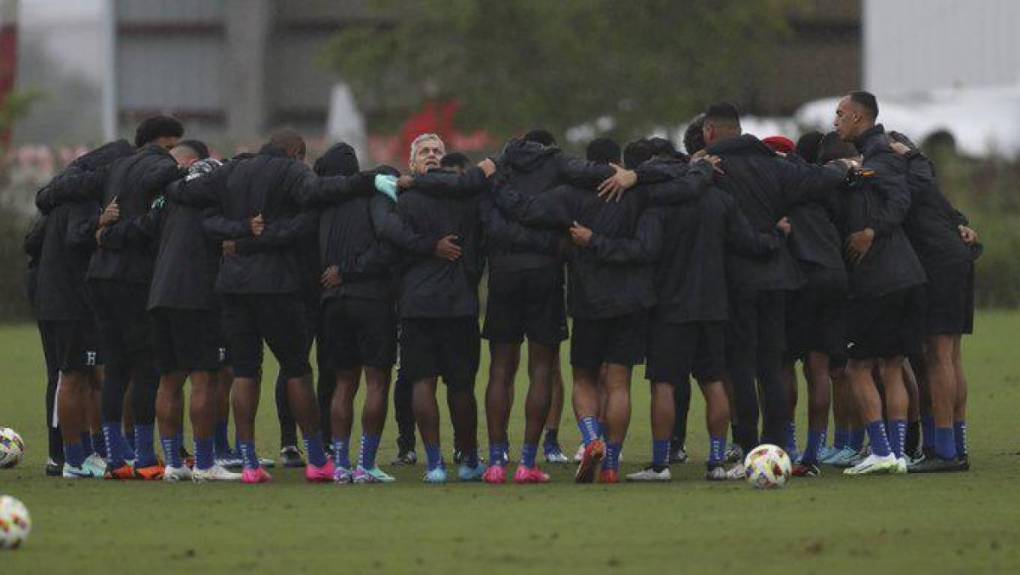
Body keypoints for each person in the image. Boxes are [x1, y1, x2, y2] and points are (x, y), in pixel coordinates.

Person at [166, 129, 370, 484]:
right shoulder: (291, 172)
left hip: (232, 287)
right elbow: (314, 201)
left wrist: (239, 237)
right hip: (277, 285)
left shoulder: (227, 172)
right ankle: (318, 459)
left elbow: (191, 202)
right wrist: (368, 181)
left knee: (245, 372)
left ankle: (248, 464)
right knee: (296, 369)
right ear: (296, 152)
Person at [37, 117, 186, 481]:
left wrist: (105, 230)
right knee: (132, 368)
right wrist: (111, 231)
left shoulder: (110, 175)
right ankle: (133, 456)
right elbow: (148, 221)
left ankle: (113, 456)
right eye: (169, 148)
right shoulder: (153, 172)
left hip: (96, 283)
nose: (171, 157)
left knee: (112, 370)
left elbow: (52, 195)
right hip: (110, 287)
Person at [700, 103, 846, 456]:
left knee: (740, 365)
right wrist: (845, 166)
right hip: (779, 278)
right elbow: (818, 180)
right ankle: (777, 444)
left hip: (737, 279)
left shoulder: (712, 169)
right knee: (772, 364)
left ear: (709, 133)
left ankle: (747, 444)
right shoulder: (775, 166)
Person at [477, 129, 618, 484]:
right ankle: (527, 463)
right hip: (545, 273)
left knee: (500, 368)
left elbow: (489, 223)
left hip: (504, 275)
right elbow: (598, 173)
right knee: (541, 369)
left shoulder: (498, 166)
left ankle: (496, 462)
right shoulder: (557, 163)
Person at [378, 133, 494, 484]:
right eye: (425, 151)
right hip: (458, 303)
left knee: (424, 382)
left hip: (418, 303)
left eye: (435, 150)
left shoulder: (403, 200)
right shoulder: (468, 197)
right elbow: (480, 243)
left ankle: (435, 464)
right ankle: (468, 460)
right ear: (412, 162)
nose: (431, 155)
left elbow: (392, 246)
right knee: (459, 385)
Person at [832, 91, 927, 475]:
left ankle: (884, 451)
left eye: (840, 114)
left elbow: (900, 197)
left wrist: (871, 230)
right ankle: (899, 454)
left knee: (857, 368)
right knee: (890, 366)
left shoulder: (879, 154)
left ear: (858, 117)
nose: (835, 120)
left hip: (881, 279)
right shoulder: (871, 156)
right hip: (905, 276)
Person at [302, 143, 403, 484]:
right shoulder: (376, 197)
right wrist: (350, 270)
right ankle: (366, 464)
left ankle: (341, 464)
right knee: (377, 381)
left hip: (331, 304)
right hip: (371, 299)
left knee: (343, 383)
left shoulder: (321, 206)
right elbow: (387, 248)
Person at [146, 141, 242, 483]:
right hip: (197, 297)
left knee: (170, 380)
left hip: (160, 295)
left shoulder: (171, 202)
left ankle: (173, 464)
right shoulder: (211, 203)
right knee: (205, 378)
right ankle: (203, 463)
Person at [887, 131, 977, 473]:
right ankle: (951, 444)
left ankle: (947, 453)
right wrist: (963, 226)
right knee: (949, 356)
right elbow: (950, 214)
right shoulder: (925, 183)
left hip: (939, 266)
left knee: (939, 357)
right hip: (956, 261)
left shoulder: (910, 177)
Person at [765, 133, 849, 477]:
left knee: (784, 364)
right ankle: (812, 456)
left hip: (797, 280)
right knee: (819, 369)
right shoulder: (819, 183)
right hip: (834, 275)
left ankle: (789, 447)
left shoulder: (772, 187)